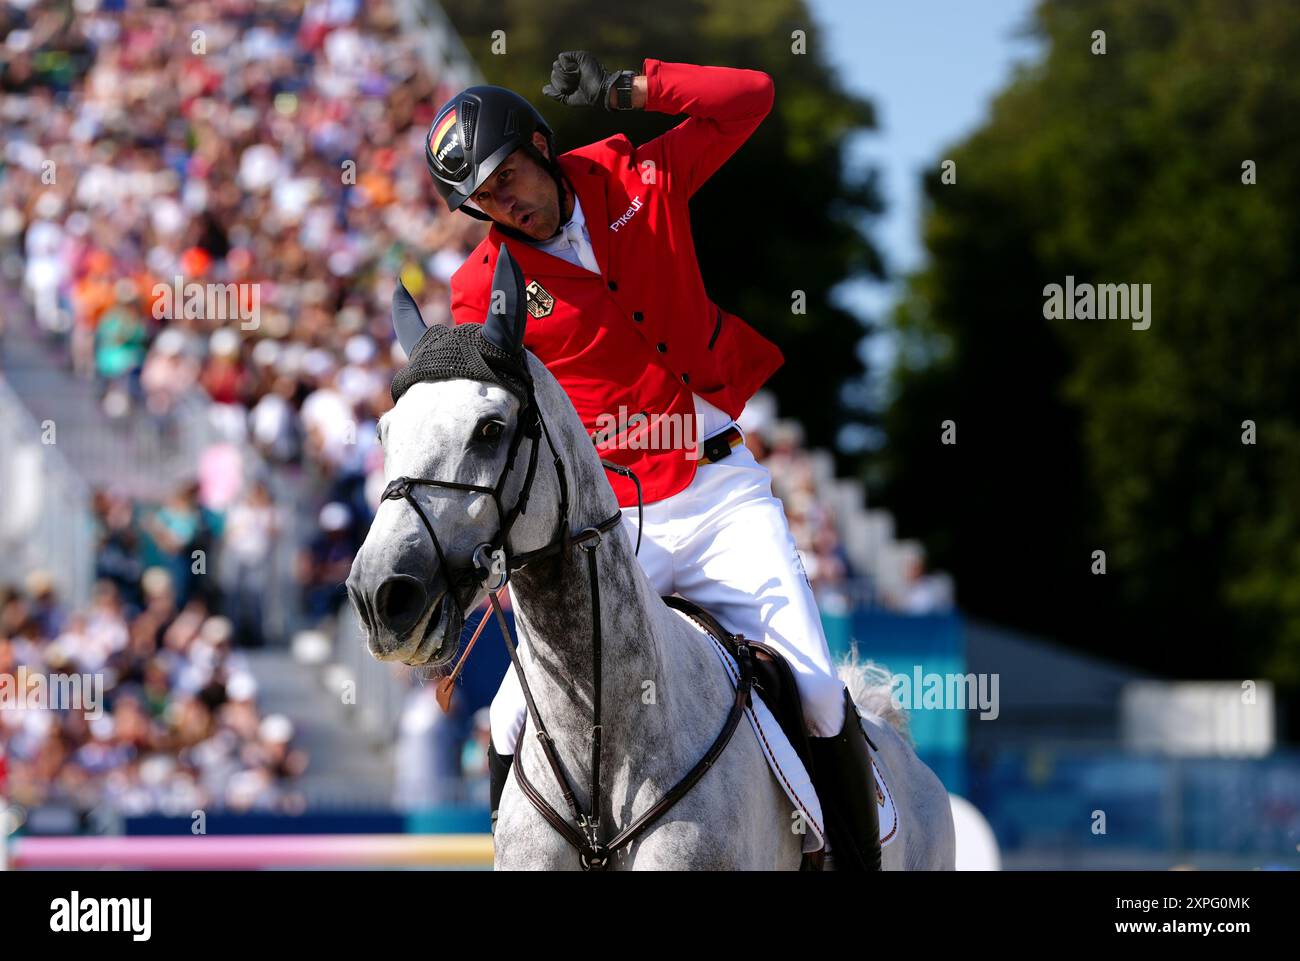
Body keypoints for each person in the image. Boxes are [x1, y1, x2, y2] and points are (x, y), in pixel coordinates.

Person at [426, 52, 880, 869]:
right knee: (508, 716)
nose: (504, 207)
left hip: (717, 492)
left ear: (539, 144)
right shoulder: (480, 287)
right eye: (483, 201)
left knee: (814, 686)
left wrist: (628, 87)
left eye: (508, 182)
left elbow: (750, 99)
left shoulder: (636, 176)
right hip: (615, 521)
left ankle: (854, 859)